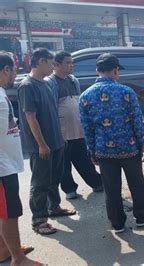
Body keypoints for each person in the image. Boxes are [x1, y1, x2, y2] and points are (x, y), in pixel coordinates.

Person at [79, 53, 144, 233]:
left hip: (104, 151)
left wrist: (92, 152)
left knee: (111, 188)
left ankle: (117, 223)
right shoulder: (126, 92)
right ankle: (142, 216)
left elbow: (87, 129)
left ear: (97, 71)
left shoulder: (85, 96)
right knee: (136, 183)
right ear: (115, 70)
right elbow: (138, 120)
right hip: (129, 148)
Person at [17, 48, 76, 235]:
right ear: (40, 62)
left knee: (54, 179)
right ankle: (39, 220)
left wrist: (60, 138)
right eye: (51, 63)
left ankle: (54, 207)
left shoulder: (47, 84)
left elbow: (52, 113)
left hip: (56, 142)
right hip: (41, 146)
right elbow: (30, 117)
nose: (53, 66)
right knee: (40, 183)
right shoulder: (28, 85)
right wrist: (42, 144)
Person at [0, 52, 40, 266]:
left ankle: (5, 250)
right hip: (2, 168)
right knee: (10, 213)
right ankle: (18, 258)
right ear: (6, 69)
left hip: (6, 165)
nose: (16, 74)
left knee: (4, 212)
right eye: (14, 69)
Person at [45, 51, 103, 200]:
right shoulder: (50, 82)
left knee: (84, 159)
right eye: (67, 63)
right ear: (56, 64)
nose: (71, 65)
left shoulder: (72, 80)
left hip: (77, 127)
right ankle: (70, 189)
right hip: (61, 131)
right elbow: (50, 108)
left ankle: (97, 183)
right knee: (64, 164)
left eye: (71, 62)